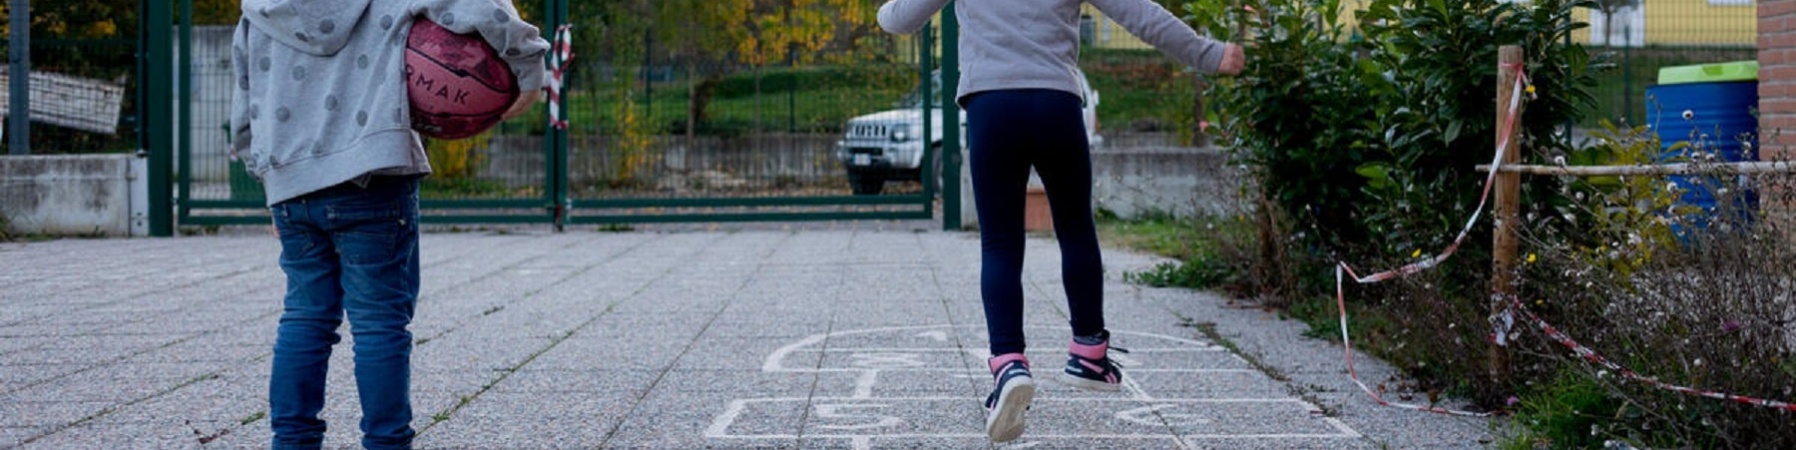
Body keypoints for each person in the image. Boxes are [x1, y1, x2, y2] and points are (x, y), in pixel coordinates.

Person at [876, 0, 1245, 442]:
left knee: (1000, 244)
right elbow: (1141, 15)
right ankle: (1089, 353)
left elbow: (898, 19)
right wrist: (1210, 54)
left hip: (991, 108)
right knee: (1074, 227)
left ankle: (1009, 364)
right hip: (1056, 105)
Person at [230, 1, 546, 448]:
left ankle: (292, 441)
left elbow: (244, 104)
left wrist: (269, 182)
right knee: (379, 324)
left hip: (292, 181)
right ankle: (386, 442)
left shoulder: (260, 7)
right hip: (373, 174)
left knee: (304, 318)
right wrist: (528, 69)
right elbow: (482, 6)